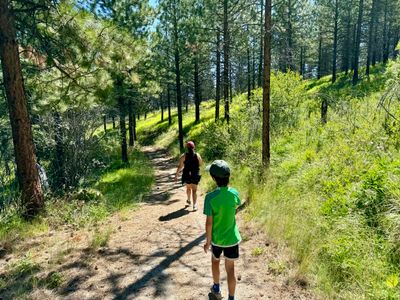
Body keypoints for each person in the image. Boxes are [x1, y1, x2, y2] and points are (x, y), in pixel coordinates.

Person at [203, 160, 241, 300]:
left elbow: (209, 223)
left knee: (215, 261)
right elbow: (235, 207)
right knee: (231, 269)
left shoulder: (210, 198)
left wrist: (208, 242)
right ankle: (231, 298)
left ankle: (217, 289)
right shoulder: (234, 193)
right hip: (232, 238)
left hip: (217, 239)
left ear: (213, 178)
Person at [175, 141, 203, 211]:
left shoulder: (184, 156)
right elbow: (200, 164)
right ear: (194, 147)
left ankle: (188, 200)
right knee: (194, 190)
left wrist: (176, 175)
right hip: (195, 174)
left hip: (187, 174)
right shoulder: (197, 155)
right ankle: (194, 205)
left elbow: (180, 166)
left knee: (188, 188)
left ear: (187, 148)